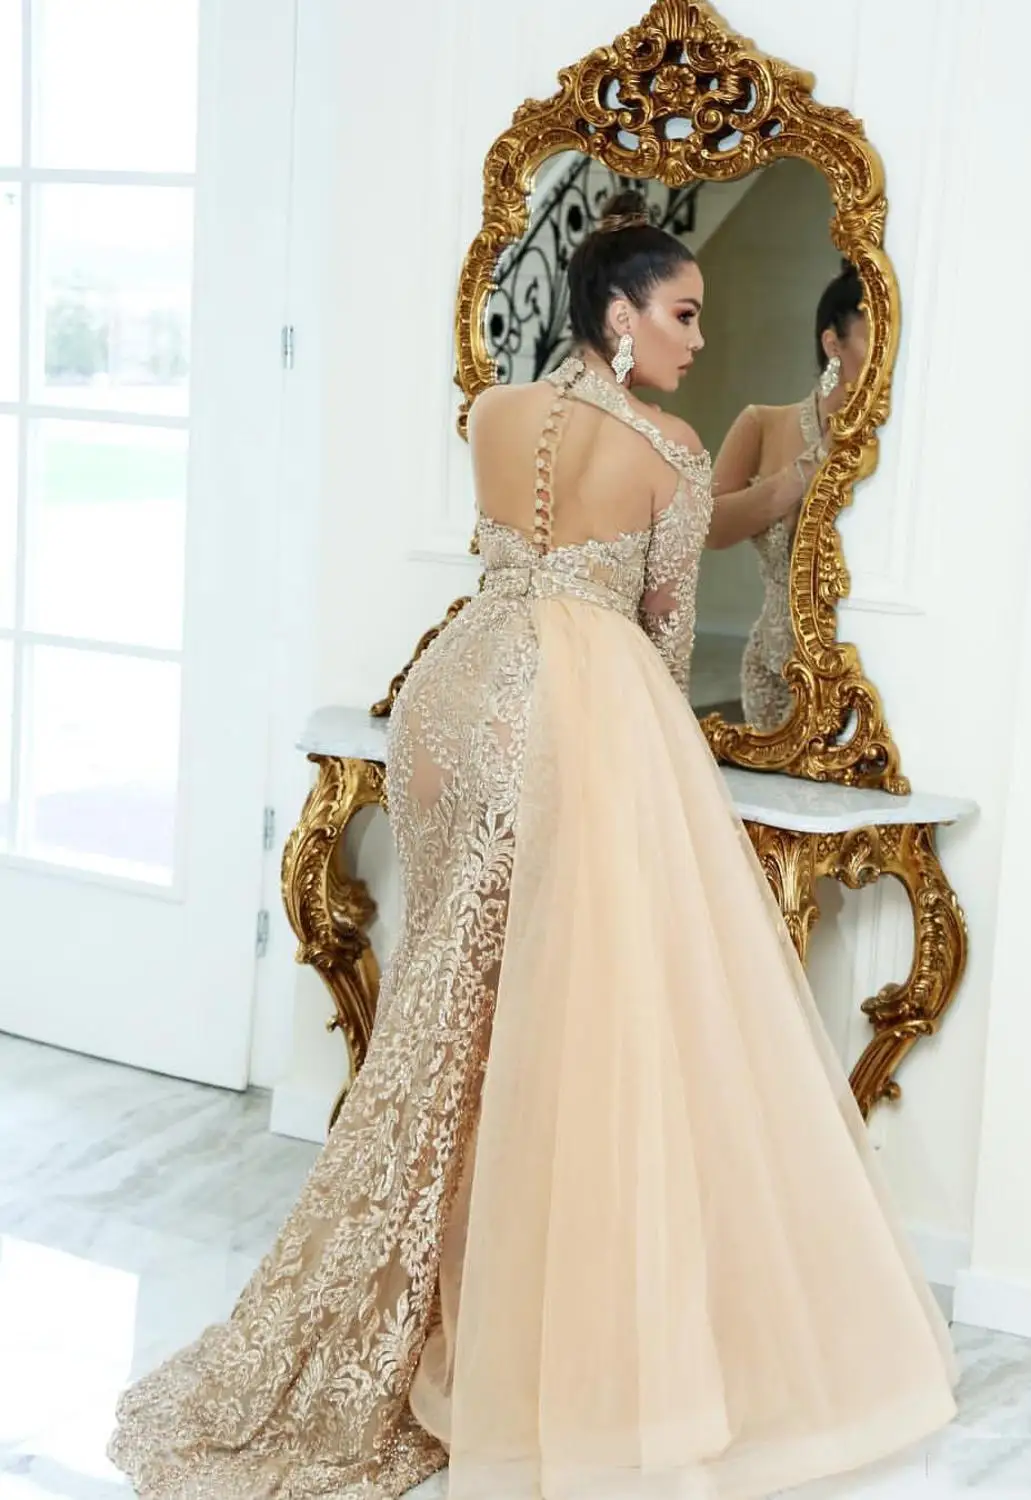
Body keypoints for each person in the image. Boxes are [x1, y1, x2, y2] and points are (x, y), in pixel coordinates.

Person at [109, 194, 954, 1500]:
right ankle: (526, 1327)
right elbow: (665, 634)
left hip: (455, 697)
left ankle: (423, 1297)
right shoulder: (673, 451)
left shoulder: (493, 414)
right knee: (573, 1020)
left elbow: (510, 552)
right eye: (683, 315)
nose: (696, 340)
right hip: (570, 710)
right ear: (619, 315)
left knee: (451, 1010)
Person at [706, 261, 868, 732]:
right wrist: (802, 472)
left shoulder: (894, 446)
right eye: (872, 338)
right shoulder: (762, 425)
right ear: (833, 344)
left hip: (868, 676)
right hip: (775, 673)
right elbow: (711, 529)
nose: (886, 355)